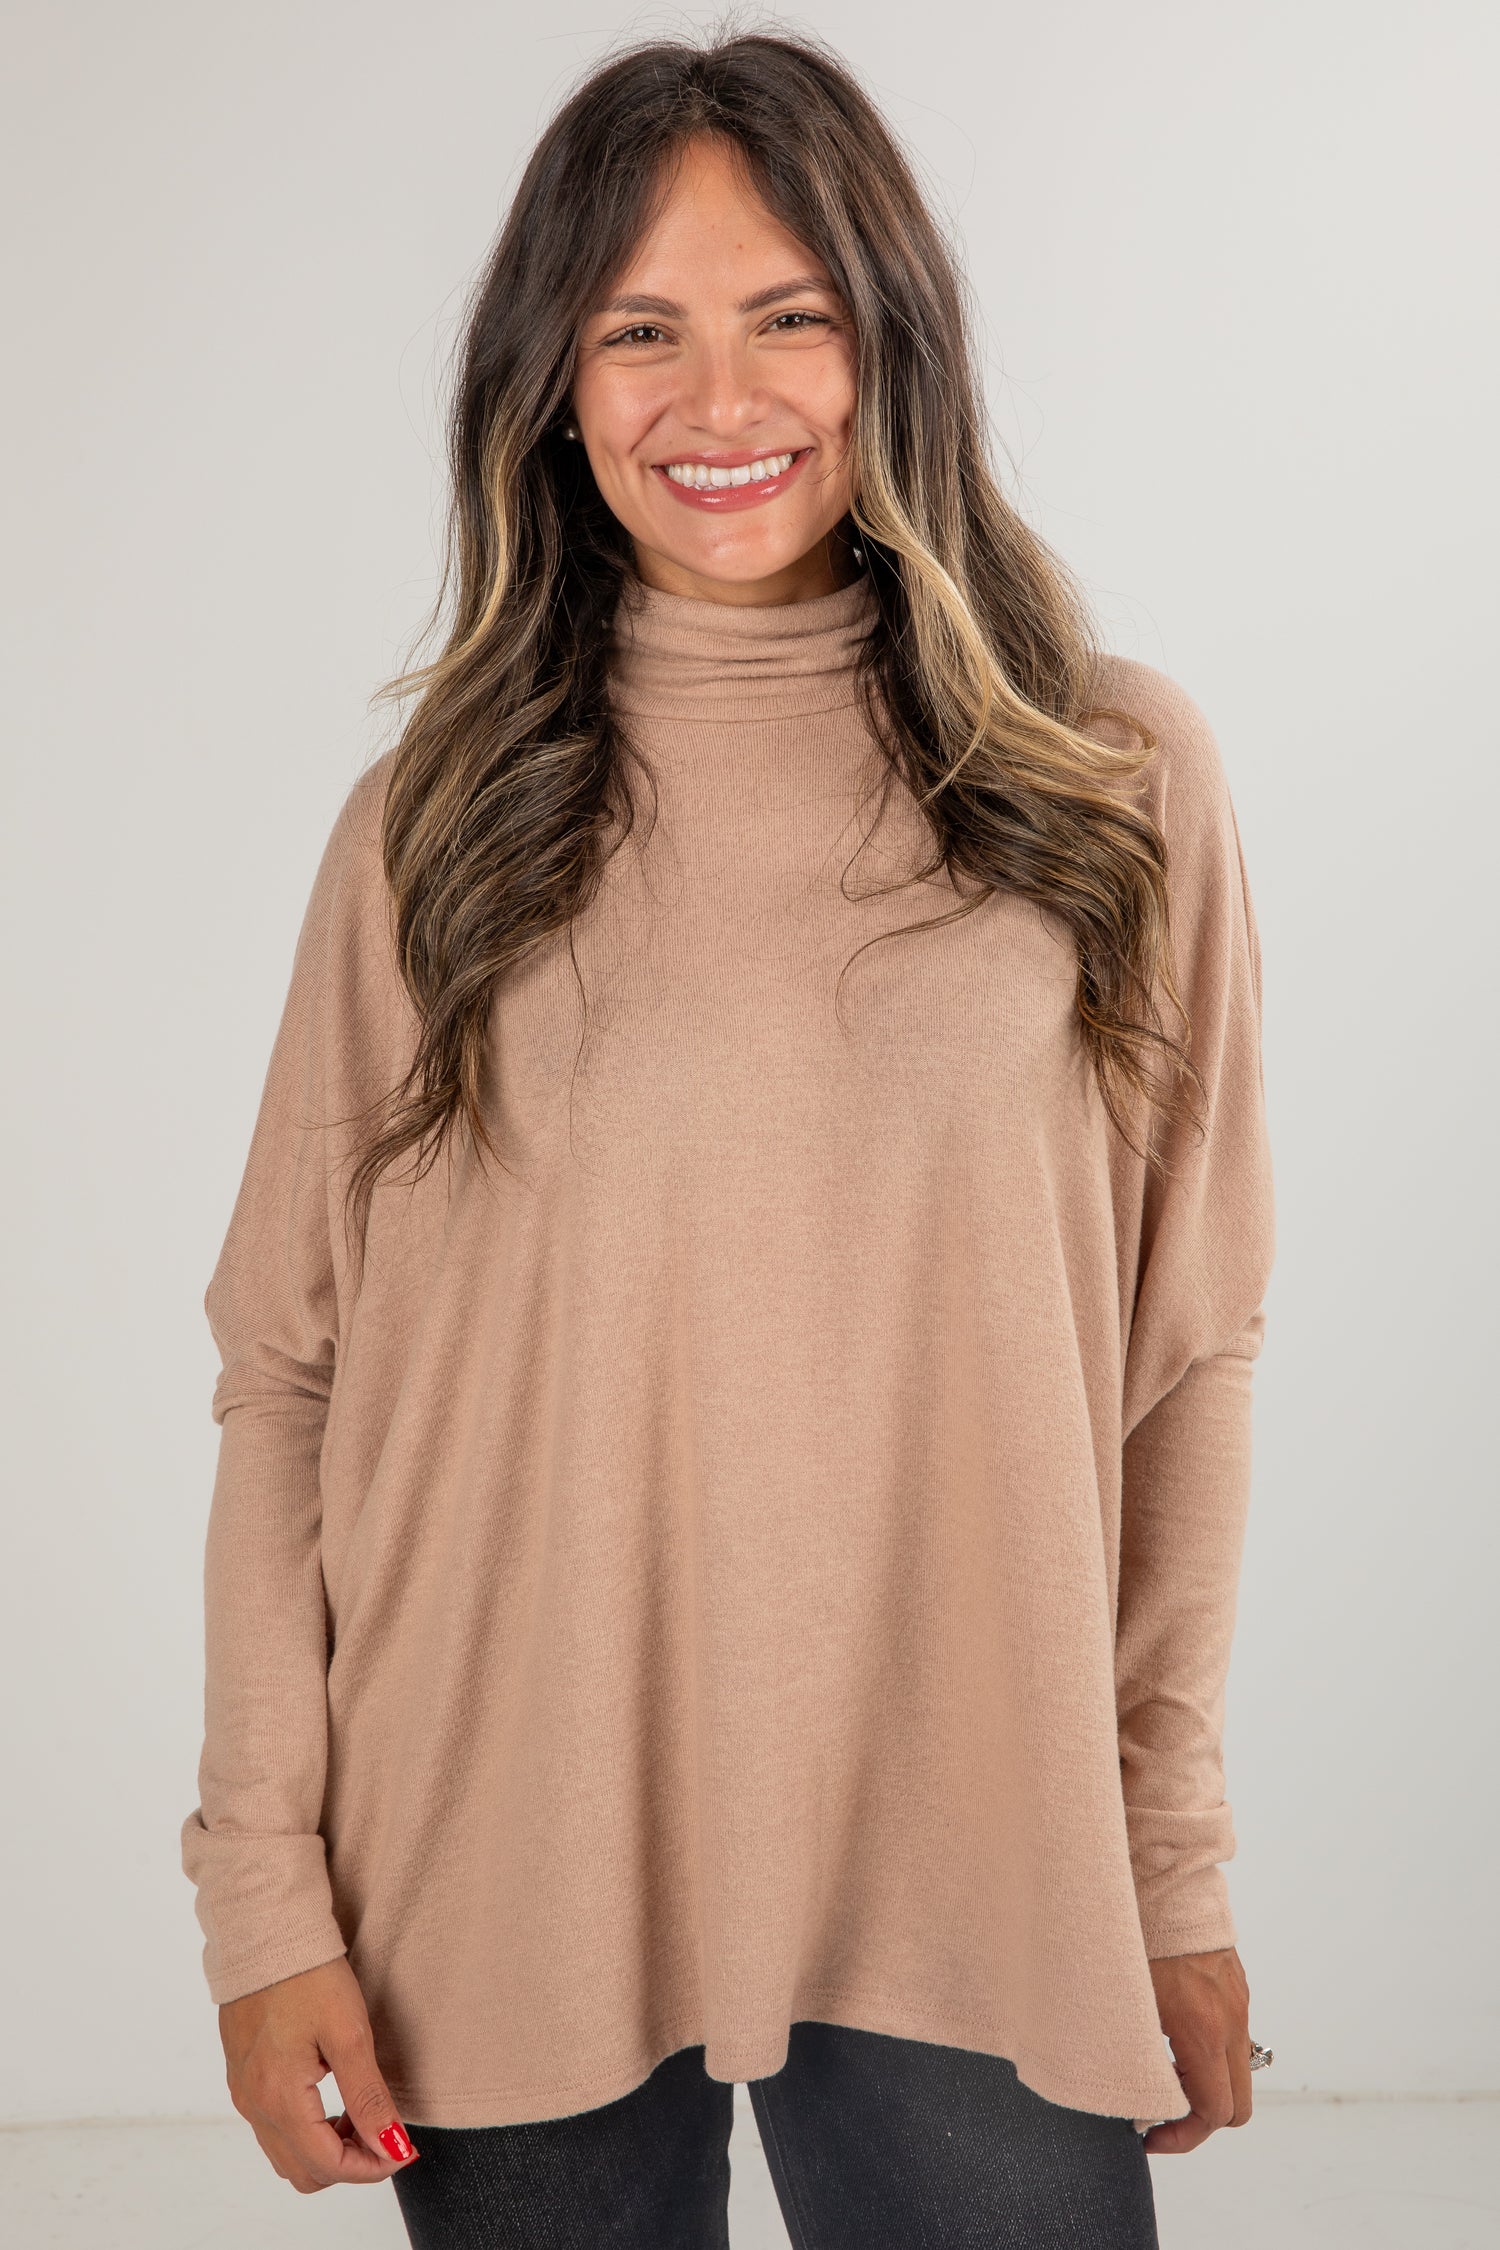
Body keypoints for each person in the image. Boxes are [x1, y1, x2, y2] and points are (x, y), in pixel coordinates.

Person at [179, 29, 1276, 2249]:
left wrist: (1166, 1863)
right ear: (552, 384)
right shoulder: (431, 829)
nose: (721, 399)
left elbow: (1191, 1357)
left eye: (793, 317)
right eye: (639, 332)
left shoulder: (1113, 780)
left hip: (979, 1847)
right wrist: (261, 1899)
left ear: (896, 344)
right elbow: (291, 1378)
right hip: (503, 1848)